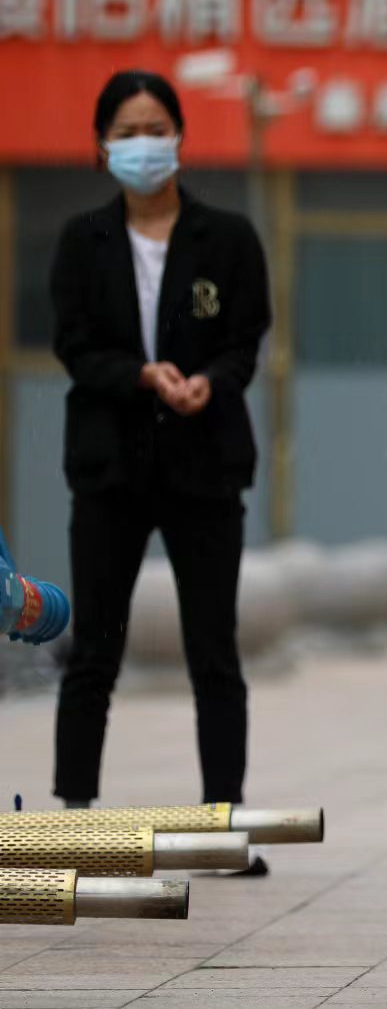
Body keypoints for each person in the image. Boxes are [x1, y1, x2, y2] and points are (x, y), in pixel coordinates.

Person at [50, 70, 270, 823]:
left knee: (214, 650)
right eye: (127, 132)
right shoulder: (82, 240)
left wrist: (210, 380)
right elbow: (74, 345)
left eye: (155, 130)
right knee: (94, 649)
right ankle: (76, 812)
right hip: (109, 468)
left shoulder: (228, 238)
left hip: (205, 466)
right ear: (101, 146)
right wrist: (139, 376)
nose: (142, 145)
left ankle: (222, 818)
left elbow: (246, 339)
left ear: (179, 138)